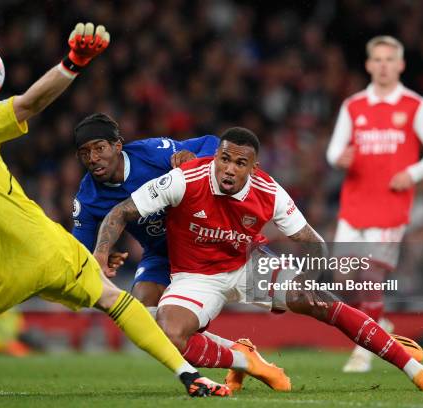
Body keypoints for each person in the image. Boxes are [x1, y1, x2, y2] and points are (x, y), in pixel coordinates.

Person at [0, 23, 229, 397]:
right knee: (111, 298)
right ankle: (189, 375)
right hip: (43, 251)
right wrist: (73, 62)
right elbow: (31, 101)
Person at [93, 127, 423, 392]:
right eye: (225, 159)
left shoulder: (269, 190)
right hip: (196, 276)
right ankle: (244, 358)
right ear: (216, 157)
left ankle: (415, 371)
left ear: (253, 167)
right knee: (170, 334)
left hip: (249, 266)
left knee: (320, 302)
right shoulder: (184, 179)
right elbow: (120, 213)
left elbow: (311, 241)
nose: (229, 169)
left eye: (240, 163)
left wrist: (309, 279)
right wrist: (100, 254)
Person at [71, 113, 272, 390]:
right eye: (84, 152)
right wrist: (100, 256)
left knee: (291, 300)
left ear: (118, 146)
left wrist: (191, 155)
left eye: (99, 148)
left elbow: (213, 143)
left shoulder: (153, 152)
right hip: (161, 254)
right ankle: (240, 357)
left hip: (207, 242)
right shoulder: (87, 197)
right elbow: (79, 250)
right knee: (142, 314)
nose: (92, 158)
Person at [326, 36, 423, 372]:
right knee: (343, 282)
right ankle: (382, 325)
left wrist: (412, 172)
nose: (383, 66)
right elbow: (333, 151)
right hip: (354, 206)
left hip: (391, 207)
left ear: (400, 65)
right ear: (368, 65)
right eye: (377, 59)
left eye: (389, 59)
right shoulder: (353, 105)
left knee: (371, 274)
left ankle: (364, 349)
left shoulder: (414, 105)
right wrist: (341, 159)